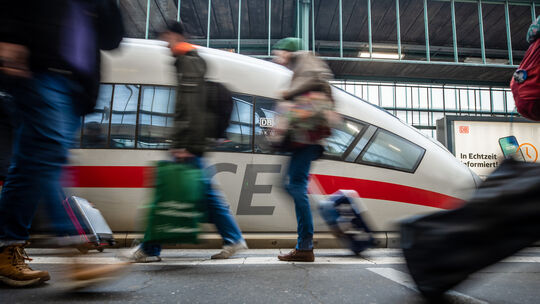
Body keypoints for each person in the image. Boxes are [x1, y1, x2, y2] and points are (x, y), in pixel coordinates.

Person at [0, 0, 126, 287]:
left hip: (76, 86)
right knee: (50, 155)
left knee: (31, 164)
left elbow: (112, 38)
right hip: (39, 67)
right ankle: (76, 254)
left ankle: (6, 251)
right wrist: (10, 36)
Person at [126, 21, 247, 263]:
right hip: (191, 143)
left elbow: (190, 109)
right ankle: (233, 238)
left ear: (175, 35)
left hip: (189, 144)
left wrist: (184, 145)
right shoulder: (189, 60)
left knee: (167, 195)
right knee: (205, 194)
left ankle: (150, 249)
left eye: (165, 38)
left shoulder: (188, 61)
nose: (164, 44)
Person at [272, 38, 333, 262]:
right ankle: (305, 243)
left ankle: (307, 243)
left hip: (306, 139)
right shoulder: (301, 67)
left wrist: (288, 94)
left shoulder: (305, 62)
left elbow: (312, 83)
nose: (277, 58)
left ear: (290, 51)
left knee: (294, 186)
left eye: (280, 53)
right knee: (293, 185)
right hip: (304, 139)